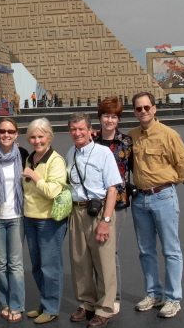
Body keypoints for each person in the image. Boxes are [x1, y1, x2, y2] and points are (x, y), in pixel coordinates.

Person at [129, 92, 184, 318]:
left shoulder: (169, 135)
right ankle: (153, 293)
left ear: (154, 109)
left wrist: (169, 182)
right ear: (134, 112)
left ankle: (173, 298)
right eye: (139, 109)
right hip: (139, 200)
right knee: (146, 250)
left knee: (170, 250)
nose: (143, 112)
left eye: (147, 107)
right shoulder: (132, 135)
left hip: (163, 197)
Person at [66, 113, 122, 327]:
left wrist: (106, 220)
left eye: (81, 129)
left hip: (98, 212)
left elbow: (112, 189)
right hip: (77, 211)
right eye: (73, 129)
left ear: (90, 130)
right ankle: (87, 303)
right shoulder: (71, 152)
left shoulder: (103, 153)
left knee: (104, 262)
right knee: (80, 261)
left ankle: (105, 308)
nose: (77, 133)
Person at [22, 118, 67, 324]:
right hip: (30, 218)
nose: (37, 140)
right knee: (37, 265)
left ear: (49, 136)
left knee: (50, 266)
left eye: (41, 136)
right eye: (33, 136)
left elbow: (52, 191)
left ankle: (52, 307)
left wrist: (35, 177)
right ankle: (44, 302)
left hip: (48, 220)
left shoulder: (55, 160)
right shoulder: (30, 158)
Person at [0, 119, 29, 323]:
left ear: (16, 134)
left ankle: (17, 304)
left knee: (16, 264)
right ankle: (5, 302)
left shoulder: (23, 155)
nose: (6, 134)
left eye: (10, 131)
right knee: (1, 264)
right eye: (2, 131)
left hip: (17, 216)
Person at [92, 97, 133, 315]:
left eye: (114, 116)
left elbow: (134, 169)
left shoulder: (126, 142)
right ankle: (100, 293)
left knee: (111, 251)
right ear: (100, 118)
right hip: (94, 204)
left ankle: (113, 295)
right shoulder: (91, 141)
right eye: (106, 115)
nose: (110, 120)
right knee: (95, 251)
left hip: (117, 204)